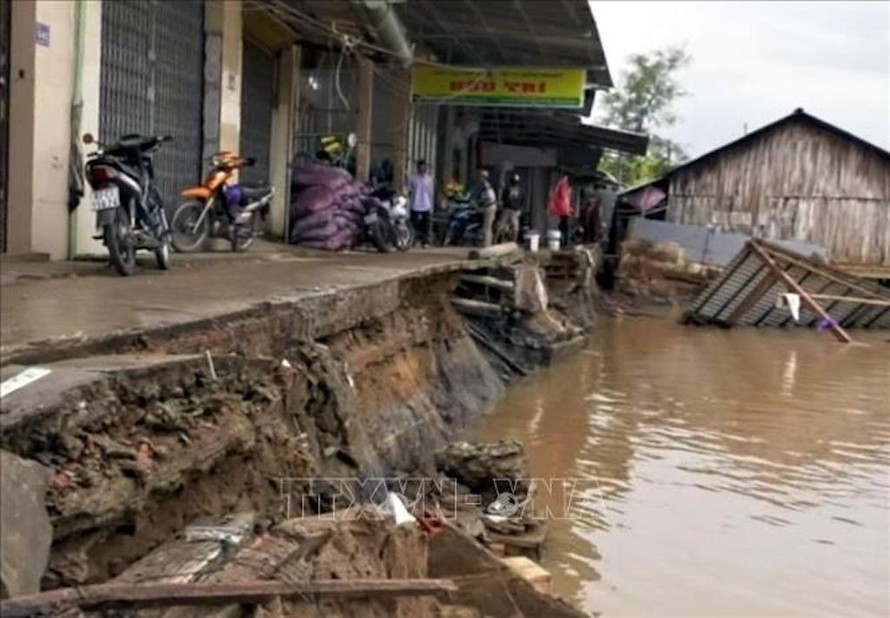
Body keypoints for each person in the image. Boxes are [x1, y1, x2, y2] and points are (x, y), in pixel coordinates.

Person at [407, 159, 434, 247]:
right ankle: (413, 240)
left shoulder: (429, 179)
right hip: (415, 204)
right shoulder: (413, 179)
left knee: (426, 224)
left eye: (423, 166)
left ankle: (426, 241)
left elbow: (430, 192)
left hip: (426, 204)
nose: (421, 168)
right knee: (413, 224)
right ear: (417, 168)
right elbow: (410, 191)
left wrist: (431, 204)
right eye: (420, 167)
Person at [470, 169, 498, 247]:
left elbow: (487, 198)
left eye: (480, 176)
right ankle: (487, 243)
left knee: (486, 227)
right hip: (488, 206)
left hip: (489, 207)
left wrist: (475, 203)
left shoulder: (484, 185)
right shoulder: (484, 185)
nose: (479, 178)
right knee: (487, 227)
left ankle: (486, 245)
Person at [496, 173, 523, 243]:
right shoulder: (507, 189)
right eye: (514, 182)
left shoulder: (521, 191)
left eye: (516, 182)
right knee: (501, 227)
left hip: (515, 210)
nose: (515, 183)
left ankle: (513, 241)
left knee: (515, 228)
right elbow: (503, 199)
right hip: (506, 209)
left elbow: (521, 201)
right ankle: (498, 240)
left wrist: (519, 210)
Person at [547, 174, 573, 246]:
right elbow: (563, 196)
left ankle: (563, 240)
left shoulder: (561, 184)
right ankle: (564, 241)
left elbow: (563, 196)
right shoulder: (563, 185)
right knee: (564, 225)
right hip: (563, 209)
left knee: (563, 224)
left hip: (563, 208)